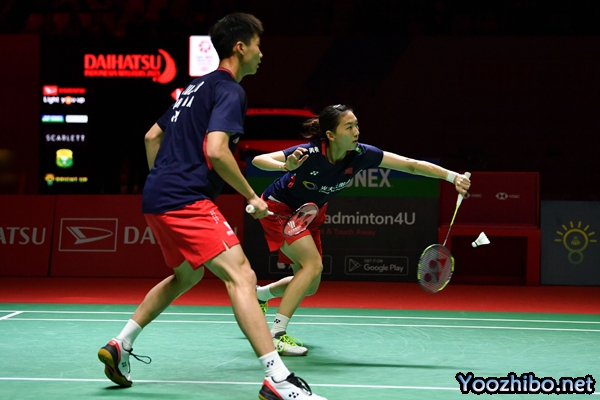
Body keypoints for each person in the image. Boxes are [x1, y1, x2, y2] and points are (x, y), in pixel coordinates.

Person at [97, 13, 327, 400]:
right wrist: (251, 197)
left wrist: (163, 180)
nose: (261, 53)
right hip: (186, 197)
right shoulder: (230, 91)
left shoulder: (193, 87)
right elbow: (217, 151)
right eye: (258, 44)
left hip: (156, 196)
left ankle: (121, 344)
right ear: (240, 47)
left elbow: (152, 137)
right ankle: (277, 378)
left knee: (186, 276)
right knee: (243, 277)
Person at [250, 104, 471, 356]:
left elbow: (410, 165)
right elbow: (259, 160)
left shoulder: (361, 154)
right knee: (313, 265)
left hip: (309, 214)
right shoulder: (310, 153)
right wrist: (285, 167)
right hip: (278, 209)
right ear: (331, 135)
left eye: (356, 125)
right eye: (349, 127)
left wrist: (452, 177)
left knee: (309, 286)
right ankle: (276, 335)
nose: (356, 131)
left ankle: (260, 295)